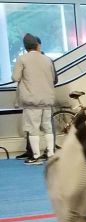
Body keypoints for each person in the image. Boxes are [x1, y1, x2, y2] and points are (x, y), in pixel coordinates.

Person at [12, 32, 57, 165]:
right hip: (47, 99)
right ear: (37, 45)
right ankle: (50, 153)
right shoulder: (47, 59)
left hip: (32, 100)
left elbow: (15, 77)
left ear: (26, 46)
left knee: (33, 129)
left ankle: (35, 156)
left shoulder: (22, 59)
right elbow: (54, 78)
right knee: (48, 127)